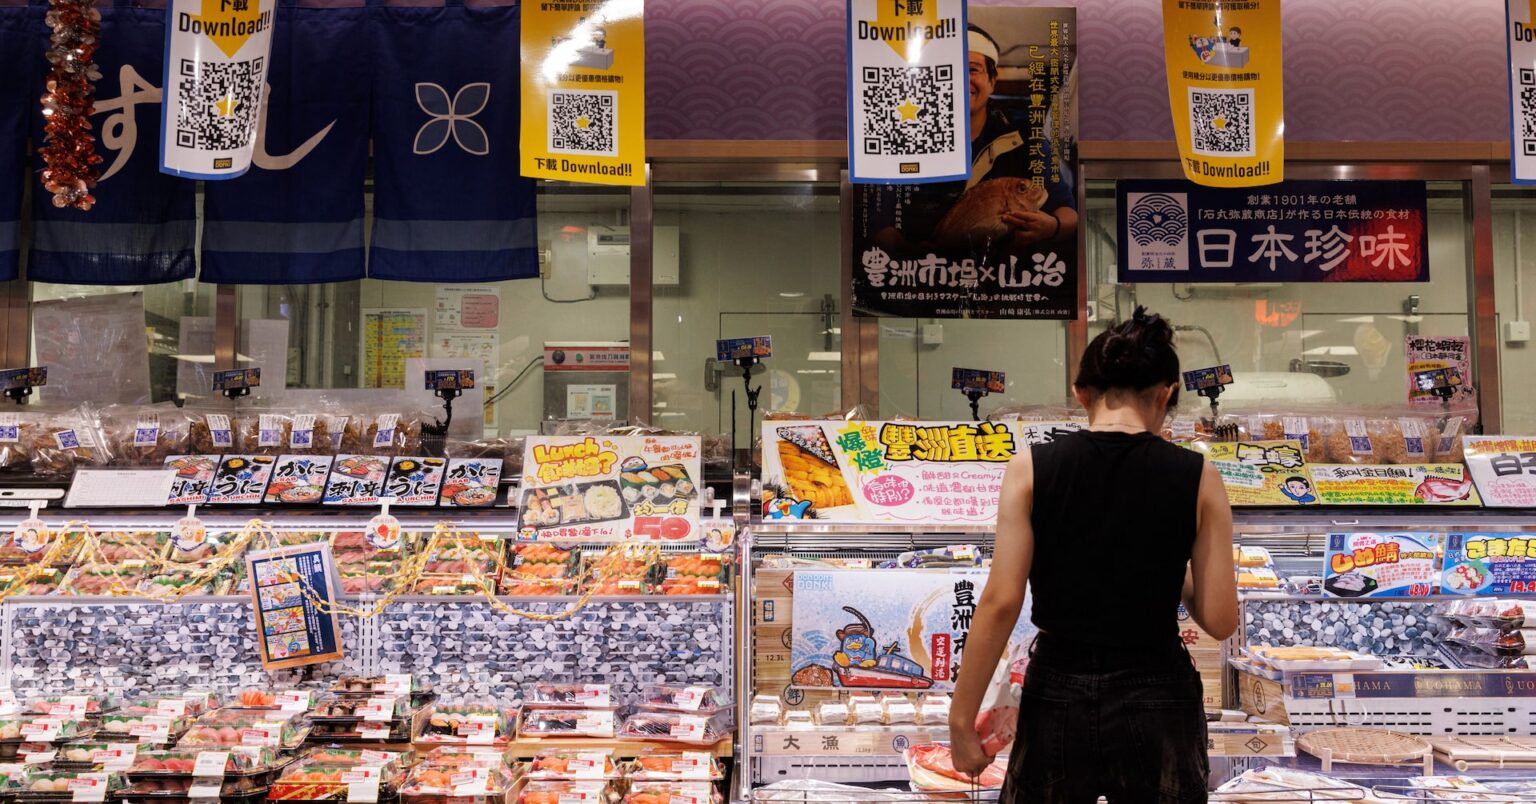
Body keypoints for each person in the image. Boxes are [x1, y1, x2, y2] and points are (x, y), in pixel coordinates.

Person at [948, 307, 1239, 803]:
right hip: (1158, 688)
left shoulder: (1031, 469)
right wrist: (1174, 569)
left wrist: (960, 719)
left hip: (1059, 685)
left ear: (1082, 393)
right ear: (1166, 393)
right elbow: (1219, 618)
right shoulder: (1198, 475)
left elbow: (1000, 601)